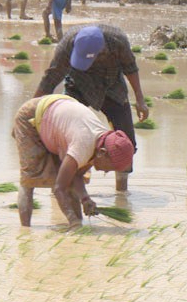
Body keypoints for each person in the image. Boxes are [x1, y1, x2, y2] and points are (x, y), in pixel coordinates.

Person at [35, 25, 149, 192]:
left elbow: (130, 67)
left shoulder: (117, 41)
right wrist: (32, 111)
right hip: (79, 85)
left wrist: (140, 99)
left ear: (102, 51)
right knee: (68, 137)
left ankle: (122, 192)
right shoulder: (67, 45)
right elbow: (50, 79)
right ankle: (63, 188)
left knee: (126, 142)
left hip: (112, 87)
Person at [12, 94, 134, 228]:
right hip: (32, 115)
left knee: (68, 177)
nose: (106, 171)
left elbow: (76, 174)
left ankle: (77, 224)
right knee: (30, 179)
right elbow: (59, 189)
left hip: (61, 117)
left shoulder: (102, 140)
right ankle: (25, 232)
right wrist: (72, 220)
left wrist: (85, 198)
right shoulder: (83, 145)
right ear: (102, 153)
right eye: (109, 168)